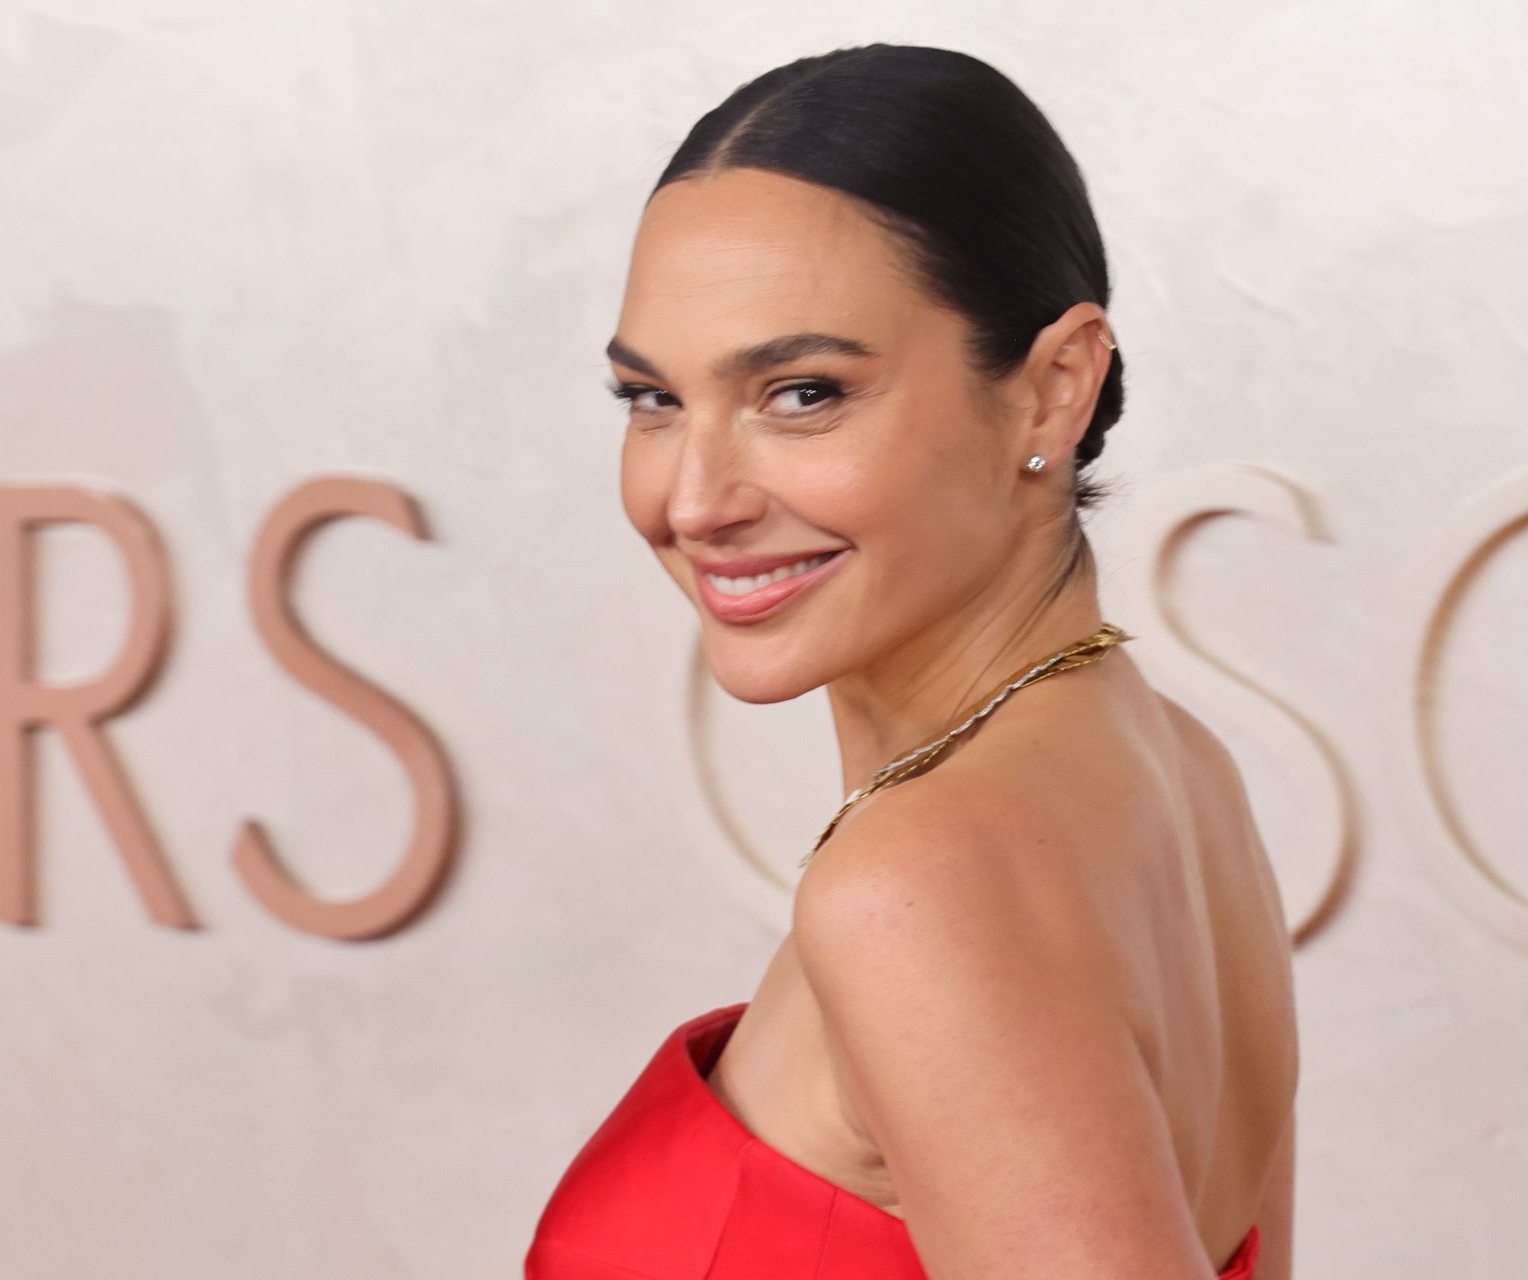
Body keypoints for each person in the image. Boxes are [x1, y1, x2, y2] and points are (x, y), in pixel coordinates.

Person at [526, 42, 1298, 1280]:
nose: (694, 499)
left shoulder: (917, 883)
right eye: (651, 399)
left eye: (802, 393)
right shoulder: (1180, 772)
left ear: (1053, 389)